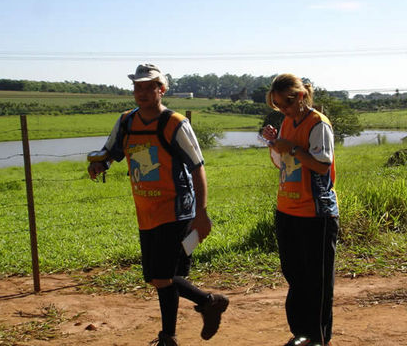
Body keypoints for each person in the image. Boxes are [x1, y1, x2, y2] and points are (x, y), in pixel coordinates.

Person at [87, 64, 229, 346]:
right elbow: (111, 152)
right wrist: (100, 164)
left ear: (161, 89)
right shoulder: (127, 121)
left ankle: (175, 332)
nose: (141, 92)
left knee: (161, 277)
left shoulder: (175, 124)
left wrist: (201, 214)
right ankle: (204, 307)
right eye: (137, 87)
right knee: (162, 278)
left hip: (176, 211)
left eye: (148, 86)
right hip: (146, 211)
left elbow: (198, 167)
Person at [261, 74, 339, 346]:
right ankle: (301, 334)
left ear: (302, 96)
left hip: (316, 213)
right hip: (288, 210)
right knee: (295, 277)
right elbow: (281, 164)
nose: (284, 109)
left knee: (317, 282)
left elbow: (321, 165)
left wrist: (291, 147)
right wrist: (275, 145)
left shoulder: (318, 124)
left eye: (288, 103)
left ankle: (318, 338)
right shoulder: (286, 122)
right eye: (279, 105)